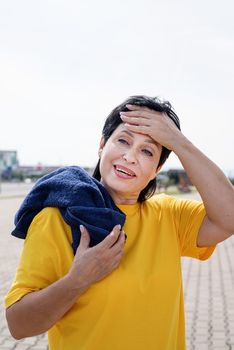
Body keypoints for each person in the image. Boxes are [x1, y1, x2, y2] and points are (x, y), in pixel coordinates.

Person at [4, 95, 234, 350]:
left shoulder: (168, 215)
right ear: (102, 145)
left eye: (147, 151)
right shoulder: (57, 219)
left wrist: (178, 142)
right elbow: (18, 325)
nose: (130, 157)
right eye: (123, 140)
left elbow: (229, 217)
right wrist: (77, 279)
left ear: (157, 169)